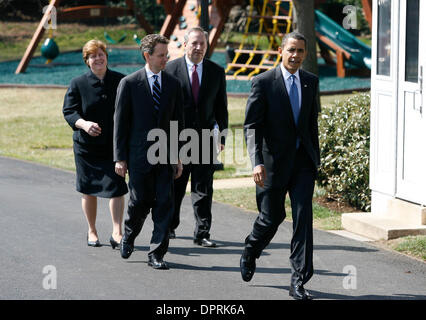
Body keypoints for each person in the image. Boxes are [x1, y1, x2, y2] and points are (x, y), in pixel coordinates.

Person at [240, 32, 320, 300]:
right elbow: (251, 126)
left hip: (303, 164)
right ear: (280, 51)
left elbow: (311, 125)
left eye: (300, 51)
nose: (296, 55)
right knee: (271, 218)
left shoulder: (310, 82)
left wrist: (315, 160)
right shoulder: (263, 82)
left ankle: (298, 281)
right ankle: (251, 249)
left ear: (305, 54)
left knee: (303, 219)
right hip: (271, 165)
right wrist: (257, 162)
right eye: (291, 50)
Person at [113, 34, 184, 270]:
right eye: (161, 55)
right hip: (138, 156)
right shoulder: (130, 84)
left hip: (165, 156)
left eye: (167, 54)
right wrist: (120, 158)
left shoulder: (173, 84)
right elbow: (120, 124)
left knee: (165, 204)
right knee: (139, 202)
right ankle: (129, 236)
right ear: (147, 55)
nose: (166, 59)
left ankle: (156, 254)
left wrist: (179, 156)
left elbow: (177, 123)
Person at [165, 27, 228, 247]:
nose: (199, 47)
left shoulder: (216, 72)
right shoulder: (170, 70)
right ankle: (169, 226)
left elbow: (222, 109)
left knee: (203, 190)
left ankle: (202, 233)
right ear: (185, 45)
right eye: (194, 43)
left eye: (203, 43)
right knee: (176, 187)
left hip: (205, 141)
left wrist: (222, 138)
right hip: (178, 140)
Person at [63, 39, 127, 248]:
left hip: (114, 145)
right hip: (86, 148)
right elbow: (69, 112)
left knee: (117, 187)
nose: (98, 58)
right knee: (88, 189)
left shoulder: (121, 81)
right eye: (93, 56)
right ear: (87, 61)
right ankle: (92, 230)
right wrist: (84, 124)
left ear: (106, 56)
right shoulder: (77, 84)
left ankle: (117, 231)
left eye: (101, 54)